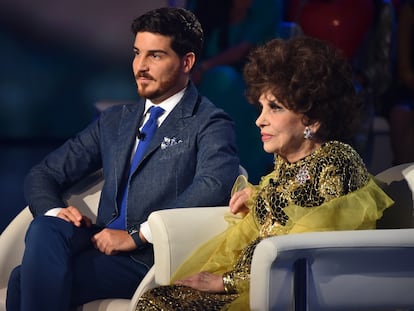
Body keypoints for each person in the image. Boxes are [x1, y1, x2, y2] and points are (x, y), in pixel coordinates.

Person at [6, 7, 240, 311]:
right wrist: (55, 210)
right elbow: (44, 174)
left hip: (149, 257)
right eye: (136, 53)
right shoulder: (116, 120)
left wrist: (138, 235)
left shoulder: (209, 122)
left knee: (22, 279)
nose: (140, 66)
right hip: (99, 239)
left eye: (155, 56)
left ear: (187, 62)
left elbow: (213, 185)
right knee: (44, 227)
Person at [135, 36, 394, 311]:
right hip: (261, 281)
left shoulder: (337, 161)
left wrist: (228, 281)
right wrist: (258, 196)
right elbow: (292, 205)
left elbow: (308, 244)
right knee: (157, 299)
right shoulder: (287, 161)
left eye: (275, 107)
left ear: (313, 118)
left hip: (290, 293)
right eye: (261, 107)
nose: (260, 119)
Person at [185, 0, 283, 183]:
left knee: (222, 81)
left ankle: (245, 172)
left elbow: (245, 49)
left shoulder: (267, 5)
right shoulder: (202, 5)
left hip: (252, 81)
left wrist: (203, 68)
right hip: (200, 77)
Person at [386, 0, 414, 164]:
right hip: (409, 90)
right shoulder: (409, 11)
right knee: (401, 115)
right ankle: (404, 183)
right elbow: (405, 71)